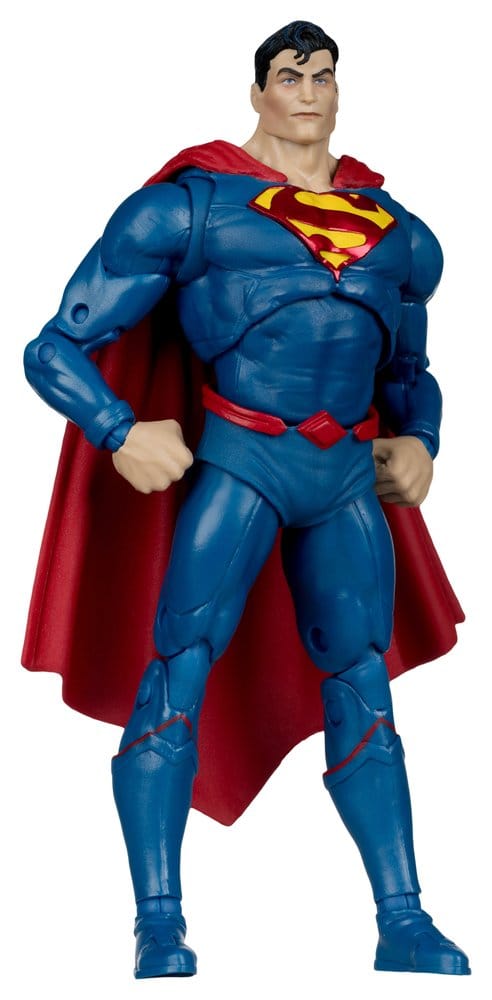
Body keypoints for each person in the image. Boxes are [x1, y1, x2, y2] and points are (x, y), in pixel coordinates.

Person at [23, 20, 470, 978]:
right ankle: (158, 922)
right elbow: (53, 348)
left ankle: (402, 919)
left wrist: (423, 439)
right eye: (290, 75)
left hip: (344, 480)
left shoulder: (398, 233)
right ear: (259, 91)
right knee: (176, 674)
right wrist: (118, 427)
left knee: (364, 685)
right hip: (243, 466)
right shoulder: (192, 210)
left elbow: (409, 373)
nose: (309, 91)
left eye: (324, 76)